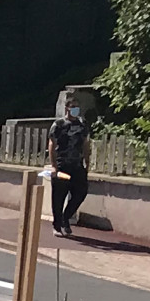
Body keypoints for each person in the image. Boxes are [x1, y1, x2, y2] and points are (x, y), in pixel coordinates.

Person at [48, 98, 91, 236]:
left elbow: (85, 143)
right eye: (73, 107)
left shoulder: (82, 124)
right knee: (59, 196)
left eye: (77, 107)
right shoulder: (59, 124)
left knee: (81, 192)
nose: (75, 110)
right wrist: (54, 166)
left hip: (77, 165)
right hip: (62, 165)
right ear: (66, 108)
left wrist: (87, 161)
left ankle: (65, 218)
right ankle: (57, 225)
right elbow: (52, 145)